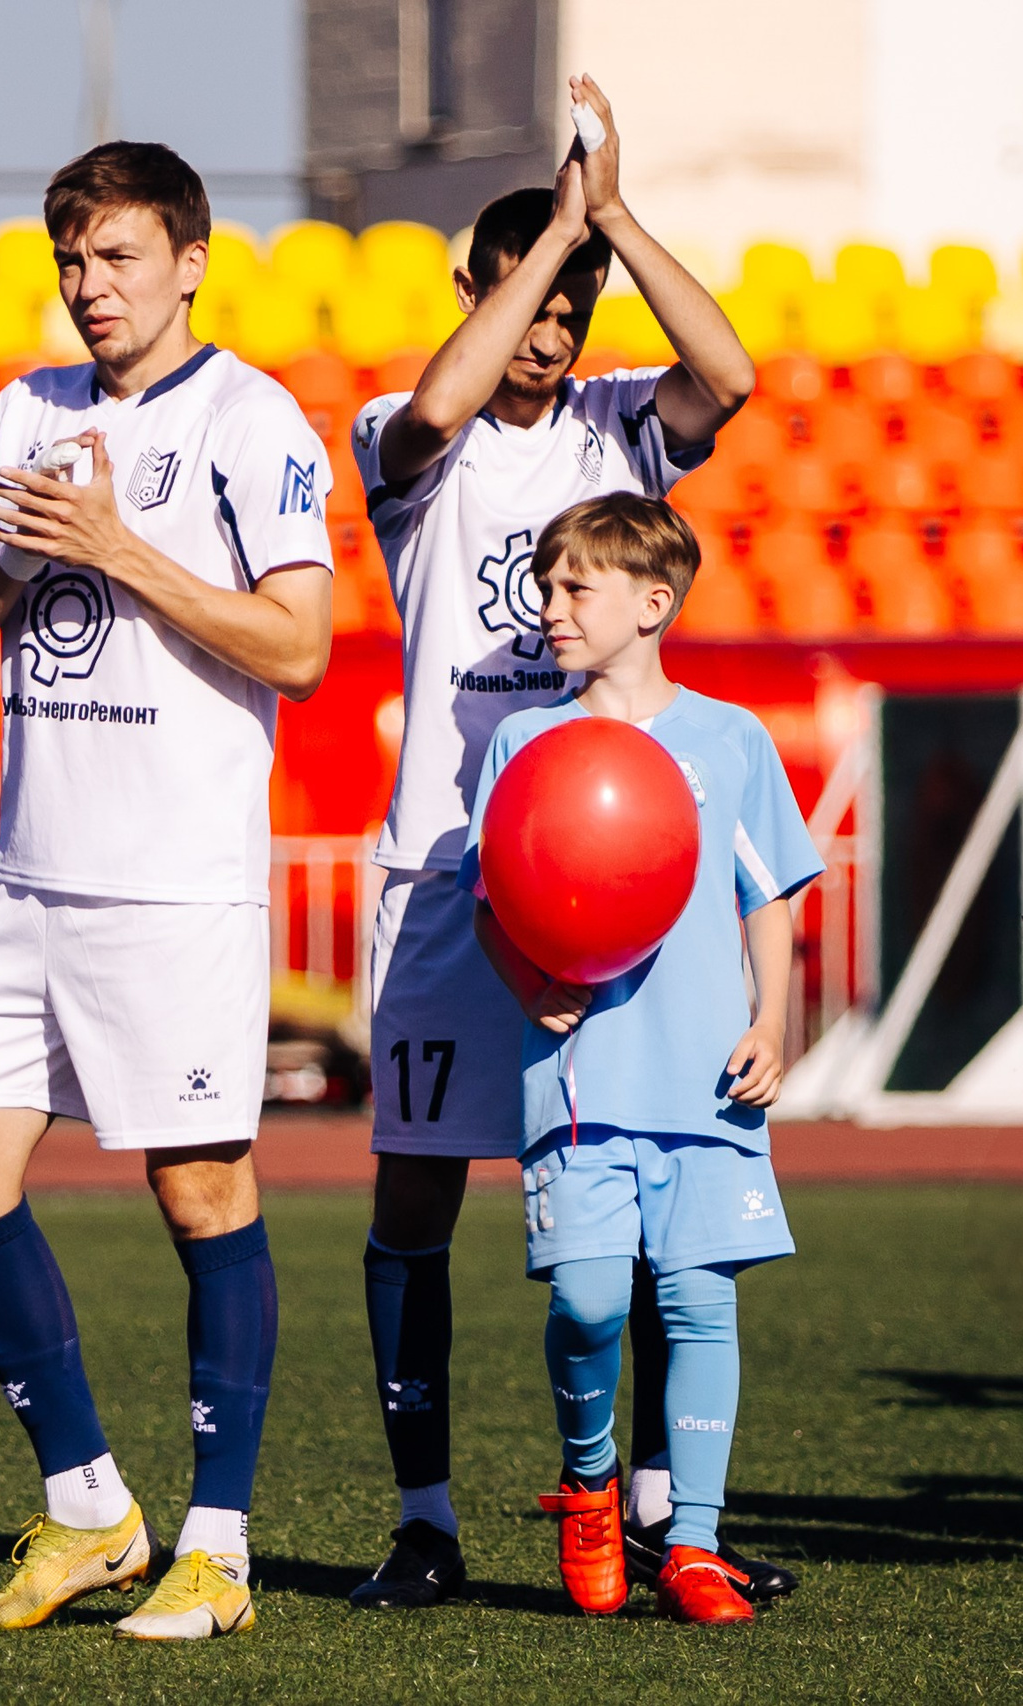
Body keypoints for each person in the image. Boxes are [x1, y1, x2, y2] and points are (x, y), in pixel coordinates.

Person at [342, 76, 793, 1610]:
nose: (549, 331)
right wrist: (545, 236)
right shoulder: (408, 433)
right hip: (447, 876)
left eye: (571, 309)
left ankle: (663, 1516)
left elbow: (729, 373)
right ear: (470, 285)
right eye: (524, 298)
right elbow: (440, 410)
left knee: (650, 1203)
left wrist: (612, 218)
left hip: (612, 891)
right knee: (416, 1202)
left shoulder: (621, 427)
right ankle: (425, 1520)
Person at [0, 140, 334, 1642]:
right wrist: (18, 570)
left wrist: (115, 549)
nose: (92, 287)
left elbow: (298, 647)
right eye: (72, 262)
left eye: (119, 257)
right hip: (30, 876)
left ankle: (218, 1548)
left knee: (199, 1186)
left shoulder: (249, 418)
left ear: (191, 263)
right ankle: (90, 1509)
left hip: (173, 884)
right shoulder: (24, 411)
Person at [463, 494, 818, 1624]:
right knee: (585, 1300)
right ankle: (589, 1483)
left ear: (652, 602)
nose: (550, 606)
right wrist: (529, 987)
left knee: (702, 1304)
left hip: (707, 1082)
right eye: (546, 585)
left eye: (576, 587)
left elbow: (769, 895)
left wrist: (772, 1022)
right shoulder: (524, 742)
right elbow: (488, 901)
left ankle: (696, 1545)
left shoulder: (732, 738)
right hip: (579, 1084)